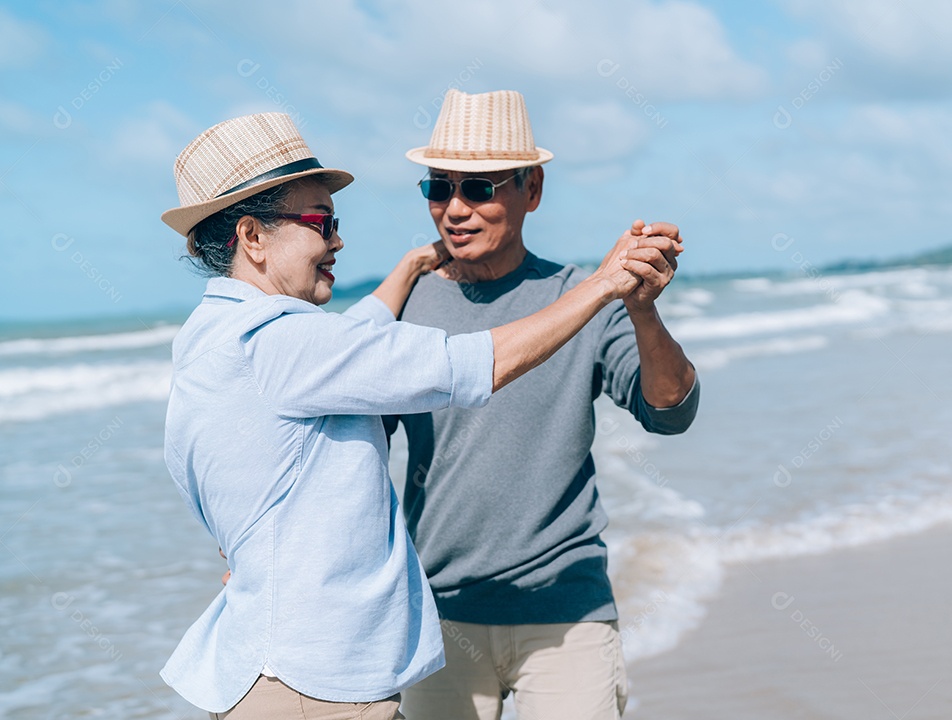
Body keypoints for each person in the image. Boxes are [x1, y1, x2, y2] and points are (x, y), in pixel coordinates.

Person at [159, 111, 657, 719]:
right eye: (321, 221)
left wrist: (404, 271)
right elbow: (464, 364)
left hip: (267, 668)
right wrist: (604, 285)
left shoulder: (213, 338)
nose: (337, 240)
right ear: (253, 238)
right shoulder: (283, 344)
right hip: (314, 685)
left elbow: (348, 355)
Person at [386, 90, 700, 719]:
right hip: (436, 615)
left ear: (532, 190)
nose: (454, 209)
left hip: (565, 610)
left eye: (479, 189)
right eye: (438, 188)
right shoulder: (404, 305)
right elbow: (348, 448)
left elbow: (670, 410)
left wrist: (641, 309)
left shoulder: (581, 296)